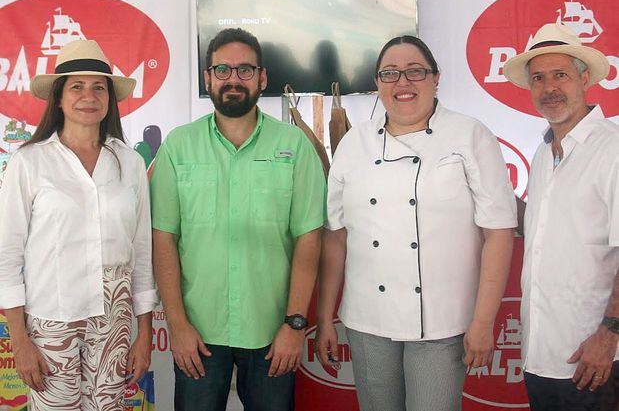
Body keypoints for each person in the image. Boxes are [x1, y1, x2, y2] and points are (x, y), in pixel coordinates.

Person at [316, 35, 517, 411]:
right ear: (377, 83)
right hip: (367, 319)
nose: (402, 83)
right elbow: (336, 237)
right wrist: (325, 317)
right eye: (390, 74)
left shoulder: (469, 135)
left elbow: (499, 234)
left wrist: (483, 322)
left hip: (442, 322)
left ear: (436, 78)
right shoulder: (353, 144)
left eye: (415, 72)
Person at [149, 28, 325, 411]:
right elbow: (163, 238)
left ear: (262, 78)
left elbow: (308, 238)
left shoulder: (294, 146)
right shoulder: (179, 146)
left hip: (271, 332)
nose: (233, 79)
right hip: (197, 333)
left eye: (244, 70)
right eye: (222, 69)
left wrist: (295, 325)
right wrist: (177, 325)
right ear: (208, 78)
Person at [0, 39, 158, 410]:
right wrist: (19, 342)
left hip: (114, 322)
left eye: (98, 87)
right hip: (50, 322)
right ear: (58, 98)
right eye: (77, 86)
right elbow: (7, 256)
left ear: (109, 99)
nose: (88, 96)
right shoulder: (29, 163)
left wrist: (144, 335)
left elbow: (141, 251)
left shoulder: (129, 163)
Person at [503, 22, 618, 411]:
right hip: (540, 354)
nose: (549, 87)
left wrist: (610, 334)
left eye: (561, 75)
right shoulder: (542, 153)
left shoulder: (613, 150)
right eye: (539, 78)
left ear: (584, 78)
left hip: (597, 357)